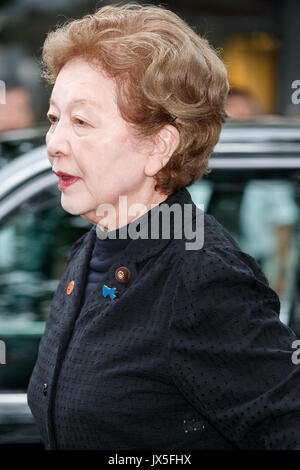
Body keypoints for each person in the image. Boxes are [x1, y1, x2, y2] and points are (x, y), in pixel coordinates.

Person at [27, 3, 300, 450]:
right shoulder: (89, 253)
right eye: (54, 119)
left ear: (159, 145)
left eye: (81, 122)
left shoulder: (201, 276)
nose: (54, 144)